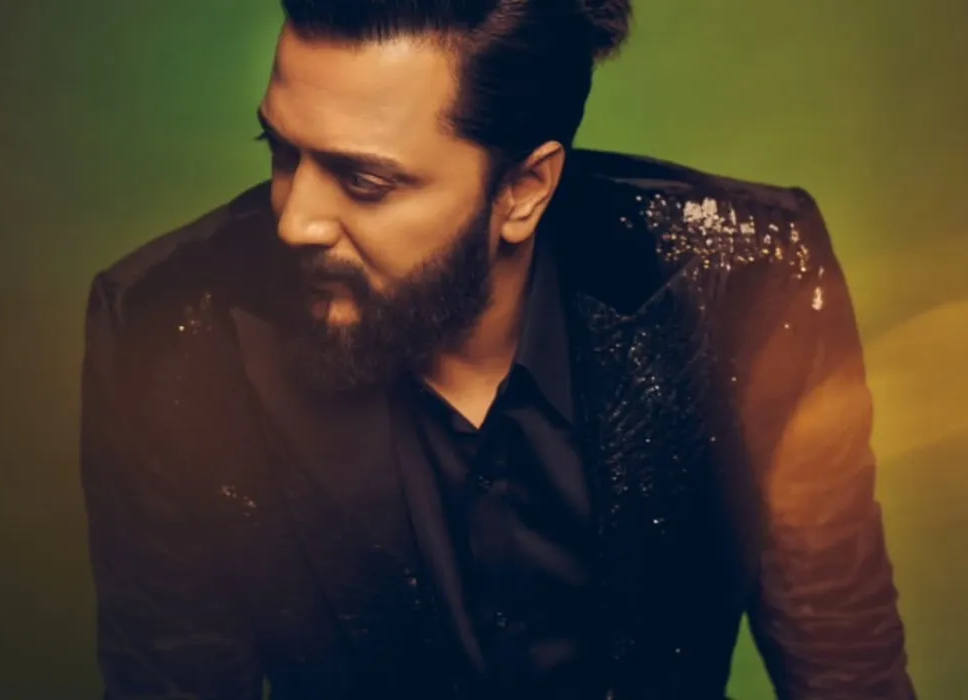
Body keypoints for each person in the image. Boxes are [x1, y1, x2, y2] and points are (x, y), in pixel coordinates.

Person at [79, 1, 915, 698]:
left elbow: (842, 651)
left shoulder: (745, 279)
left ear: (523, 191)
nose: (295, 221)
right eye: (281, 152)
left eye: (363, 181)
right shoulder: (169, 332)